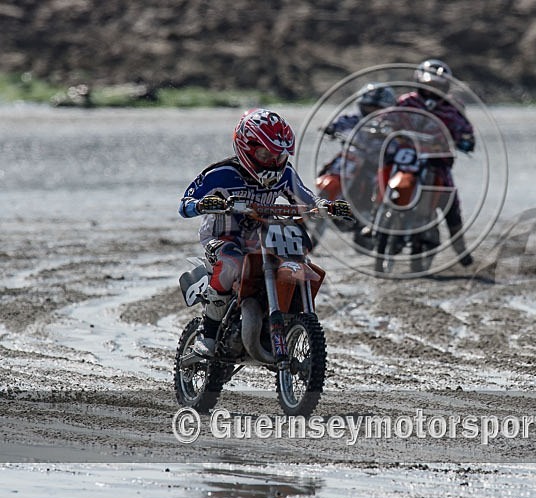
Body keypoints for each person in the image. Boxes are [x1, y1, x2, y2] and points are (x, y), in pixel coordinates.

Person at [179, 109, 353, 356]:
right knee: (231, 263)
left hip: (263, 237)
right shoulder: (221, 174)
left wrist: (324, 206)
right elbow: (184, 204)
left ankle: (286, 320)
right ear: (246, 147)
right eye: (265, 153)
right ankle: (207, 333)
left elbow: (306, 198)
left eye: (279, 155)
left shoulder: (286, 174)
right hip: (223, 236)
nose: (273, 162)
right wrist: (202, 204)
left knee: (298, 261)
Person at [392, 59, 476, 266]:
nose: (432, 91)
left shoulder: (453, 108)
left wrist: (465, 141)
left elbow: (466, 131)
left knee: (450, 200)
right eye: (428, 86)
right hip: (406, 158)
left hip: (438, 162)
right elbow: (388, 119)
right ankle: (377, 217)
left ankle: (460, 248)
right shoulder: (405, 102)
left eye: (437, 87)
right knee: (383, 175)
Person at [318, 83, 396, 247]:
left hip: (375, 164)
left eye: (376, 108)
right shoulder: (354, 118)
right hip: (353, 157)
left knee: (380, 187)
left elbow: (399, 141)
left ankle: (371, 220)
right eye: (368, 107)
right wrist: (331, 128)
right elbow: (341, 122)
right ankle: (323, 201)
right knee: (332, 167)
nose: (370, 112)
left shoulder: (391, 126)